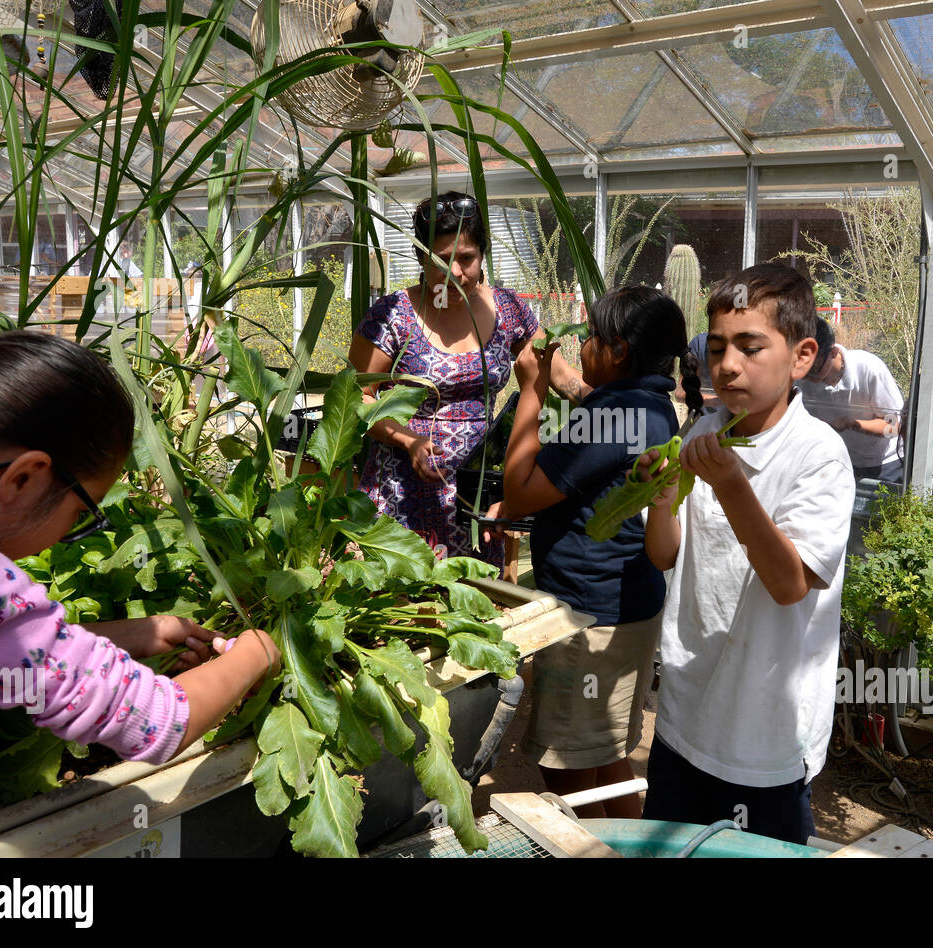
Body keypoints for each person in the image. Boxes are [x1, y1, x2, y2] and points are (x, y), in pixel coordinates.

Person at [0, 293, 280, 787]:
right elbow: (158, 719)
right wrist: (259, 652)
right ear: (24, 478)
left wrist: (131, 635)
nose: (69, 533)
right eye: (82, 512)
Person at [638, 263, 855, 843]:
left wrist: (732, 486)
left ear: (802, 356)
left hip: (764, 738)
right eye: (717, 348)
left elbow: (789, 585)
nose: (728, 365)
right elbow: (664, 556)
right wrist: (660, 498)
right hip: (685, 716)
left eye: (750, 346)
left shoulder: (819, 456)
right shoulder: (703, 431)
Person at [499, 286, 701, 817]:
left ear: (617, 353)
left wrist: (532, 389)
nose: (583, 345)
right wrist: (571, 384)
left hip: (588, 620)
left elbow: (519, 489)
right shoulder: (654, 404)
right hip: (630, 610)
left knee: (567, 770)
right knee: (608, 753)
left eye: (590, 337)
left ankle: (592, 848)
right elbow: (601, 418)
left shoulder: (611, 413)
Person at [348, 192, 588, 564]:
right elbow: (355, 399)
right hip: (402, 491)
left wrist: (604, 399)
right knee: (407, 606)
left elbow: (555, 371)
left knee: (474, 600)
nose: (455, 273)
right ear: (420, 257)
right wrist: (409, 440)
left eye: (466, 258)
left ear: (482, 255)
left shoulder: (509, 310)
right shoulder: (393, 315)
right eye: (440, 260)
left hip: (475, 496)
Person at [798, 340, 905, 481]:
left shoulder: (868, 368)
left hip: (885, 464)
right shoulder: (803, 380)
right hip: (839, 463)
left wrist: (852, 424)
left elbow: (894, 426)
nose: (811, 376)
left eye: (815, 367)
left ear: (833, 352)